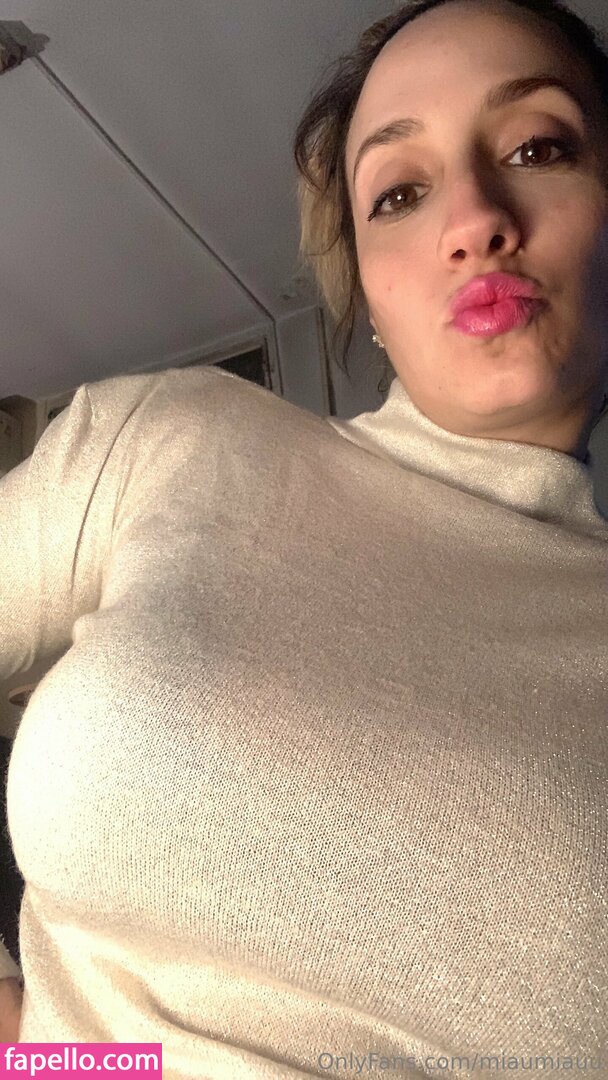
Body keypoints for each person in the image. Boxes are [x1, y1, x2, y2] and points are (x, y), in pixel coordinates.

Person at [1, 0, 607, 1074]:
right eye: (400, 193)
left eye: (537, 147)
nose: (473, 219)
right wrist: (39, 1051)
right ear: (368, 291)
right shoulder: (168, 440)